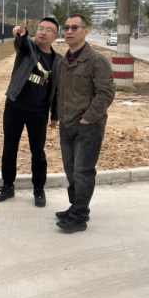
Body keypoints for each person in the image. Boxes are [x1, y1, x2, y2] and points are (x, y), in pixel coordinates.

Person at [54, 14, 116, 233]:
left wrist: (87, 119)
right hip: (67, 124)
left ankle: (80, 216)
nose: (69, 32)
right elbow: (60, 92)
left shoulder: (96, 61)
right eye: (66, 28)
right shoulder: (63, 62)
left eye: (75, 28)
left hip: (88, 126)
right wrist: (59, 117)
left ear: (86, 31)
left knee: (83, 171)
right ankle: (75, 207)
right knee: (71, 170)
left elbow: (106, 93)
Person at [0, 19, 62, 208]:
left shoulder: (58, 61)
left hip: (38, 112)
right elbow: (21, 42)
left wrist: (55, 115)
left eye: (49, 30)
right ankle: (8, 185)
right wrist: (21, 34)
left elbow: (57, 90)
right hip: (14, 107)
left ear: (55, 36)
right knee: (10, 149)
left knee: (38, 152)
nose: (43, 32)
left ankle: (39, 188)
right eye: (40, 28)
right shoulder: (27, 49)